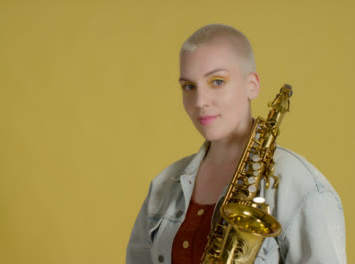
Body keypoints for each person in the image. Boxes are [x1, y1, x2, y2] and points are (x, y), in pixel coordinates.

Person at [126, 24, 346, 264]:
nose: (200, 102)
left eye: (217, 81)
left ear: (252, 85)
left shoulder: (302, 186)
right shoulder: (163, 185)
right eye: (189, 86)